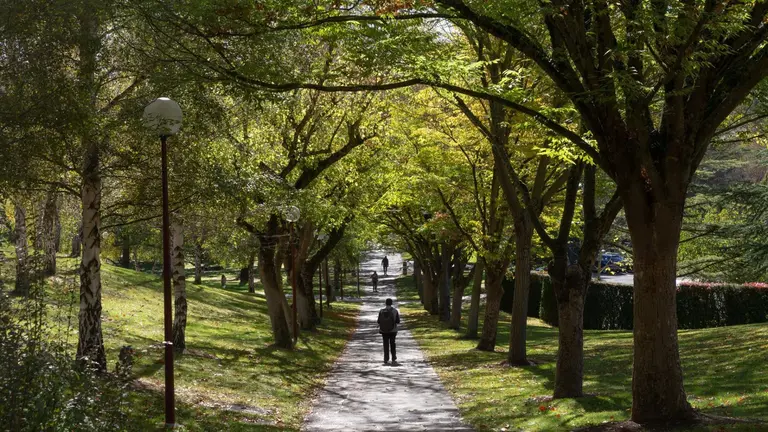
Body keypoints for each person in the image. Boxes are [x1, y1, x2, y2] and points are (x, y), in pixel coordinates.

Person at [377, 298, 400, 364]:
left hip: (384, 331)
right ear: (391, 303)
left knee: (385, 344)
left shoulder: (381, 311)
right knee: (392, 344)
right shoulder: (395, 311)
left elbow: (378, 321)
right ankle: (393, 358)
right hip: (393, 330)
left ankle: (386, 359)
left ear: (385, 303)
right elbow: (398, 321)